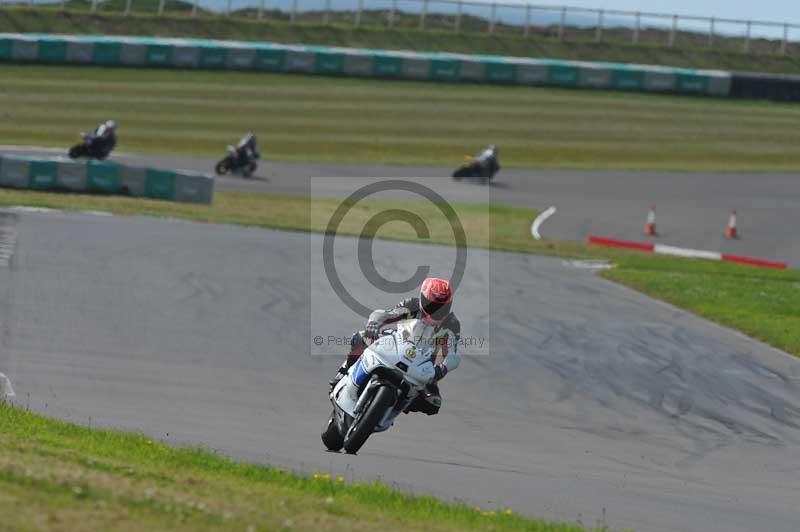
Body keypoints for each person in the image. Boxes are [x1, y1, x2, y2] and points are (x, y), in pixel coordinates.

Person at [329, 277, 461, 416]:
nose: (436, 311)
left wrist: (442, 369)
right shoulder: (412, 305)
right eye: (432, 305)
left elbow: (452, 354)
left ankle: (391, 408)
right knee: (361, 338)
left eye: (442, 307)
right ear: (422, 299)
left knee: (433, 403)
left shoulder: (451, 323)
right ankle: (342, 373)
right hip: (395, 345)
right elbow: (385, 315)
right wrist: (373, 324)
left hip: (422, 363)